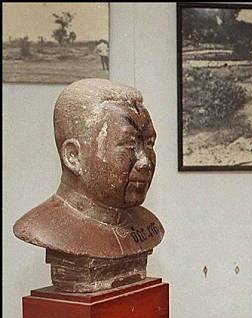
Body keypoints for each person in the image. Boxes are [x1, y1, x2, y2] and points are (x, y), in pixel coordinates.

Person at [13, 79, 164, 290]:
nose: (145, 161)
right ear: (74, 157)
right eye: (130, 145)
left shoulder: (148, 226)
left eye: (149, 144)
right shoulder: (44, 228)